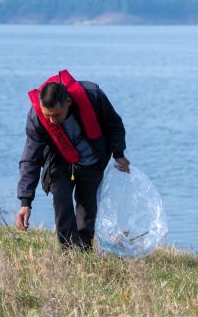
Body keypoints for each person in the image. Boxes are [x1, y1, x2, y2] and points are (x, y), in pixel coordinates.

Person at [16, 70, 130, 249]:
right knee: (62, 205)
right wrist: (25, 201)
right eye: (48, 116)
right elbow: (30, 158)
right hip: (59, 162)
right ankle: (68, 252)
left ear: (68, 102)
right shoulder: (36, 117)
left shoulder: (93, 96)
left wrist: (119, 154)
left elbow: (113, 124)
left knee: (86, 213)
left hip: (91, 162)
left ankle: (84, 251)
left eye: (57, 115)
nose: (53, 121)